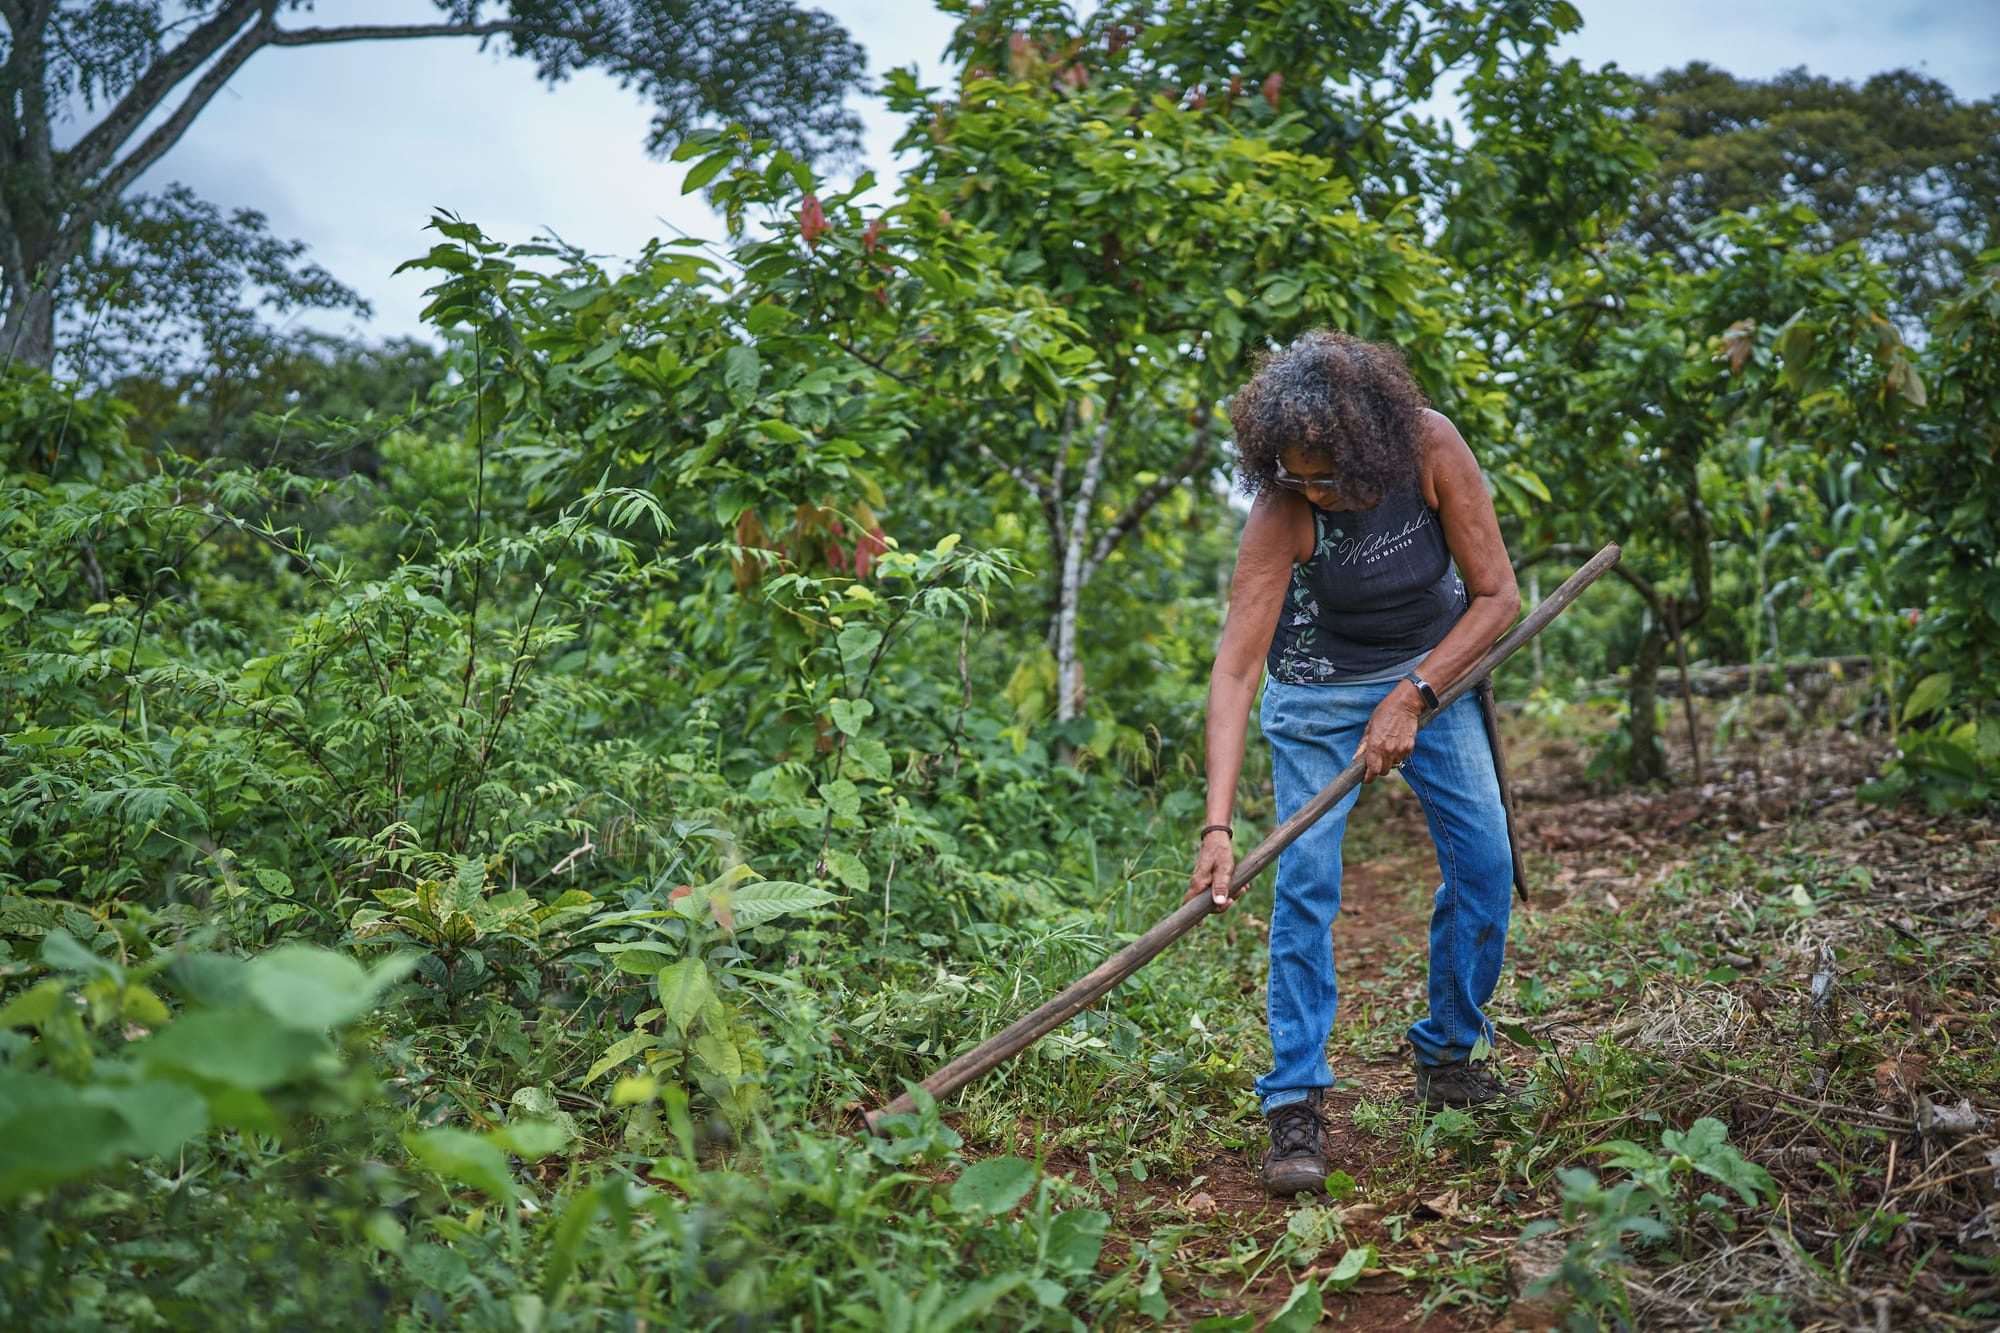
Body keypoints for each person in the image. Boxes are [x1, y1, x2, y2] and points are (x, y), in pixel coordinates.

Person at [1185, 329, 1523, 1197]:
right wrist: (1217, 825)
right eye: (1301, 475)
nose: (1319, 492)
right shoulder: (1282, 511)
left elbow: (1499, 598)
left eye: (1330, 474)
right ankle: (1294, 1097)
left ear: (1373, 442)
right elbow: (1233, 670)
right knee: (1305, 884)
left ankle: (1448, 1055)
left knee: (1485, 863)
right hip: (1314, 693)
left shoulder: (1432, 447)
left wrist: (1413, 694)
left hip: (1433, 670)